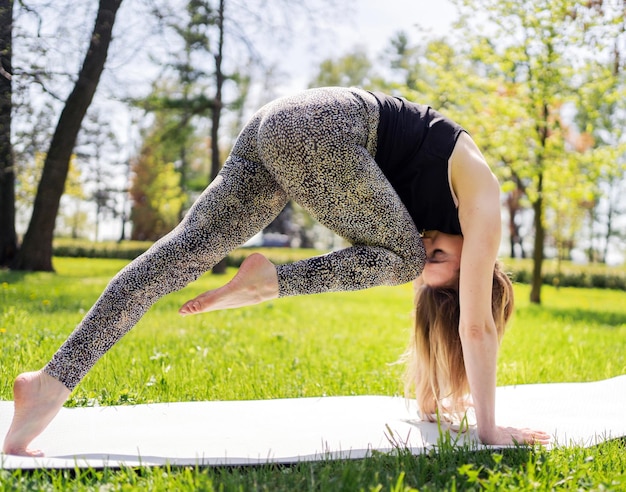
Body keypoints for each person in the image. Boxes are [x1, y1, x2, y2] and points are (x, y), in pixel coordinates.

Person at [3, 87, 549, 456]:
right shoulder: (483, 203)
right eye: (441, 259)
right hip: (319, 127)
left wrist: (435, 401)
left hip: (277, 124)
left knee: (181, 255)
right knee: (400, 257)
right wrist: (489, 430)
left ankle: (49, 384)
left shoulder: (416, 226)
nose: (429, 246)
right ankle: (270, 282)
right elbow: (474, 327)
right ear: (479, 267)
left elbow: (446, 331)